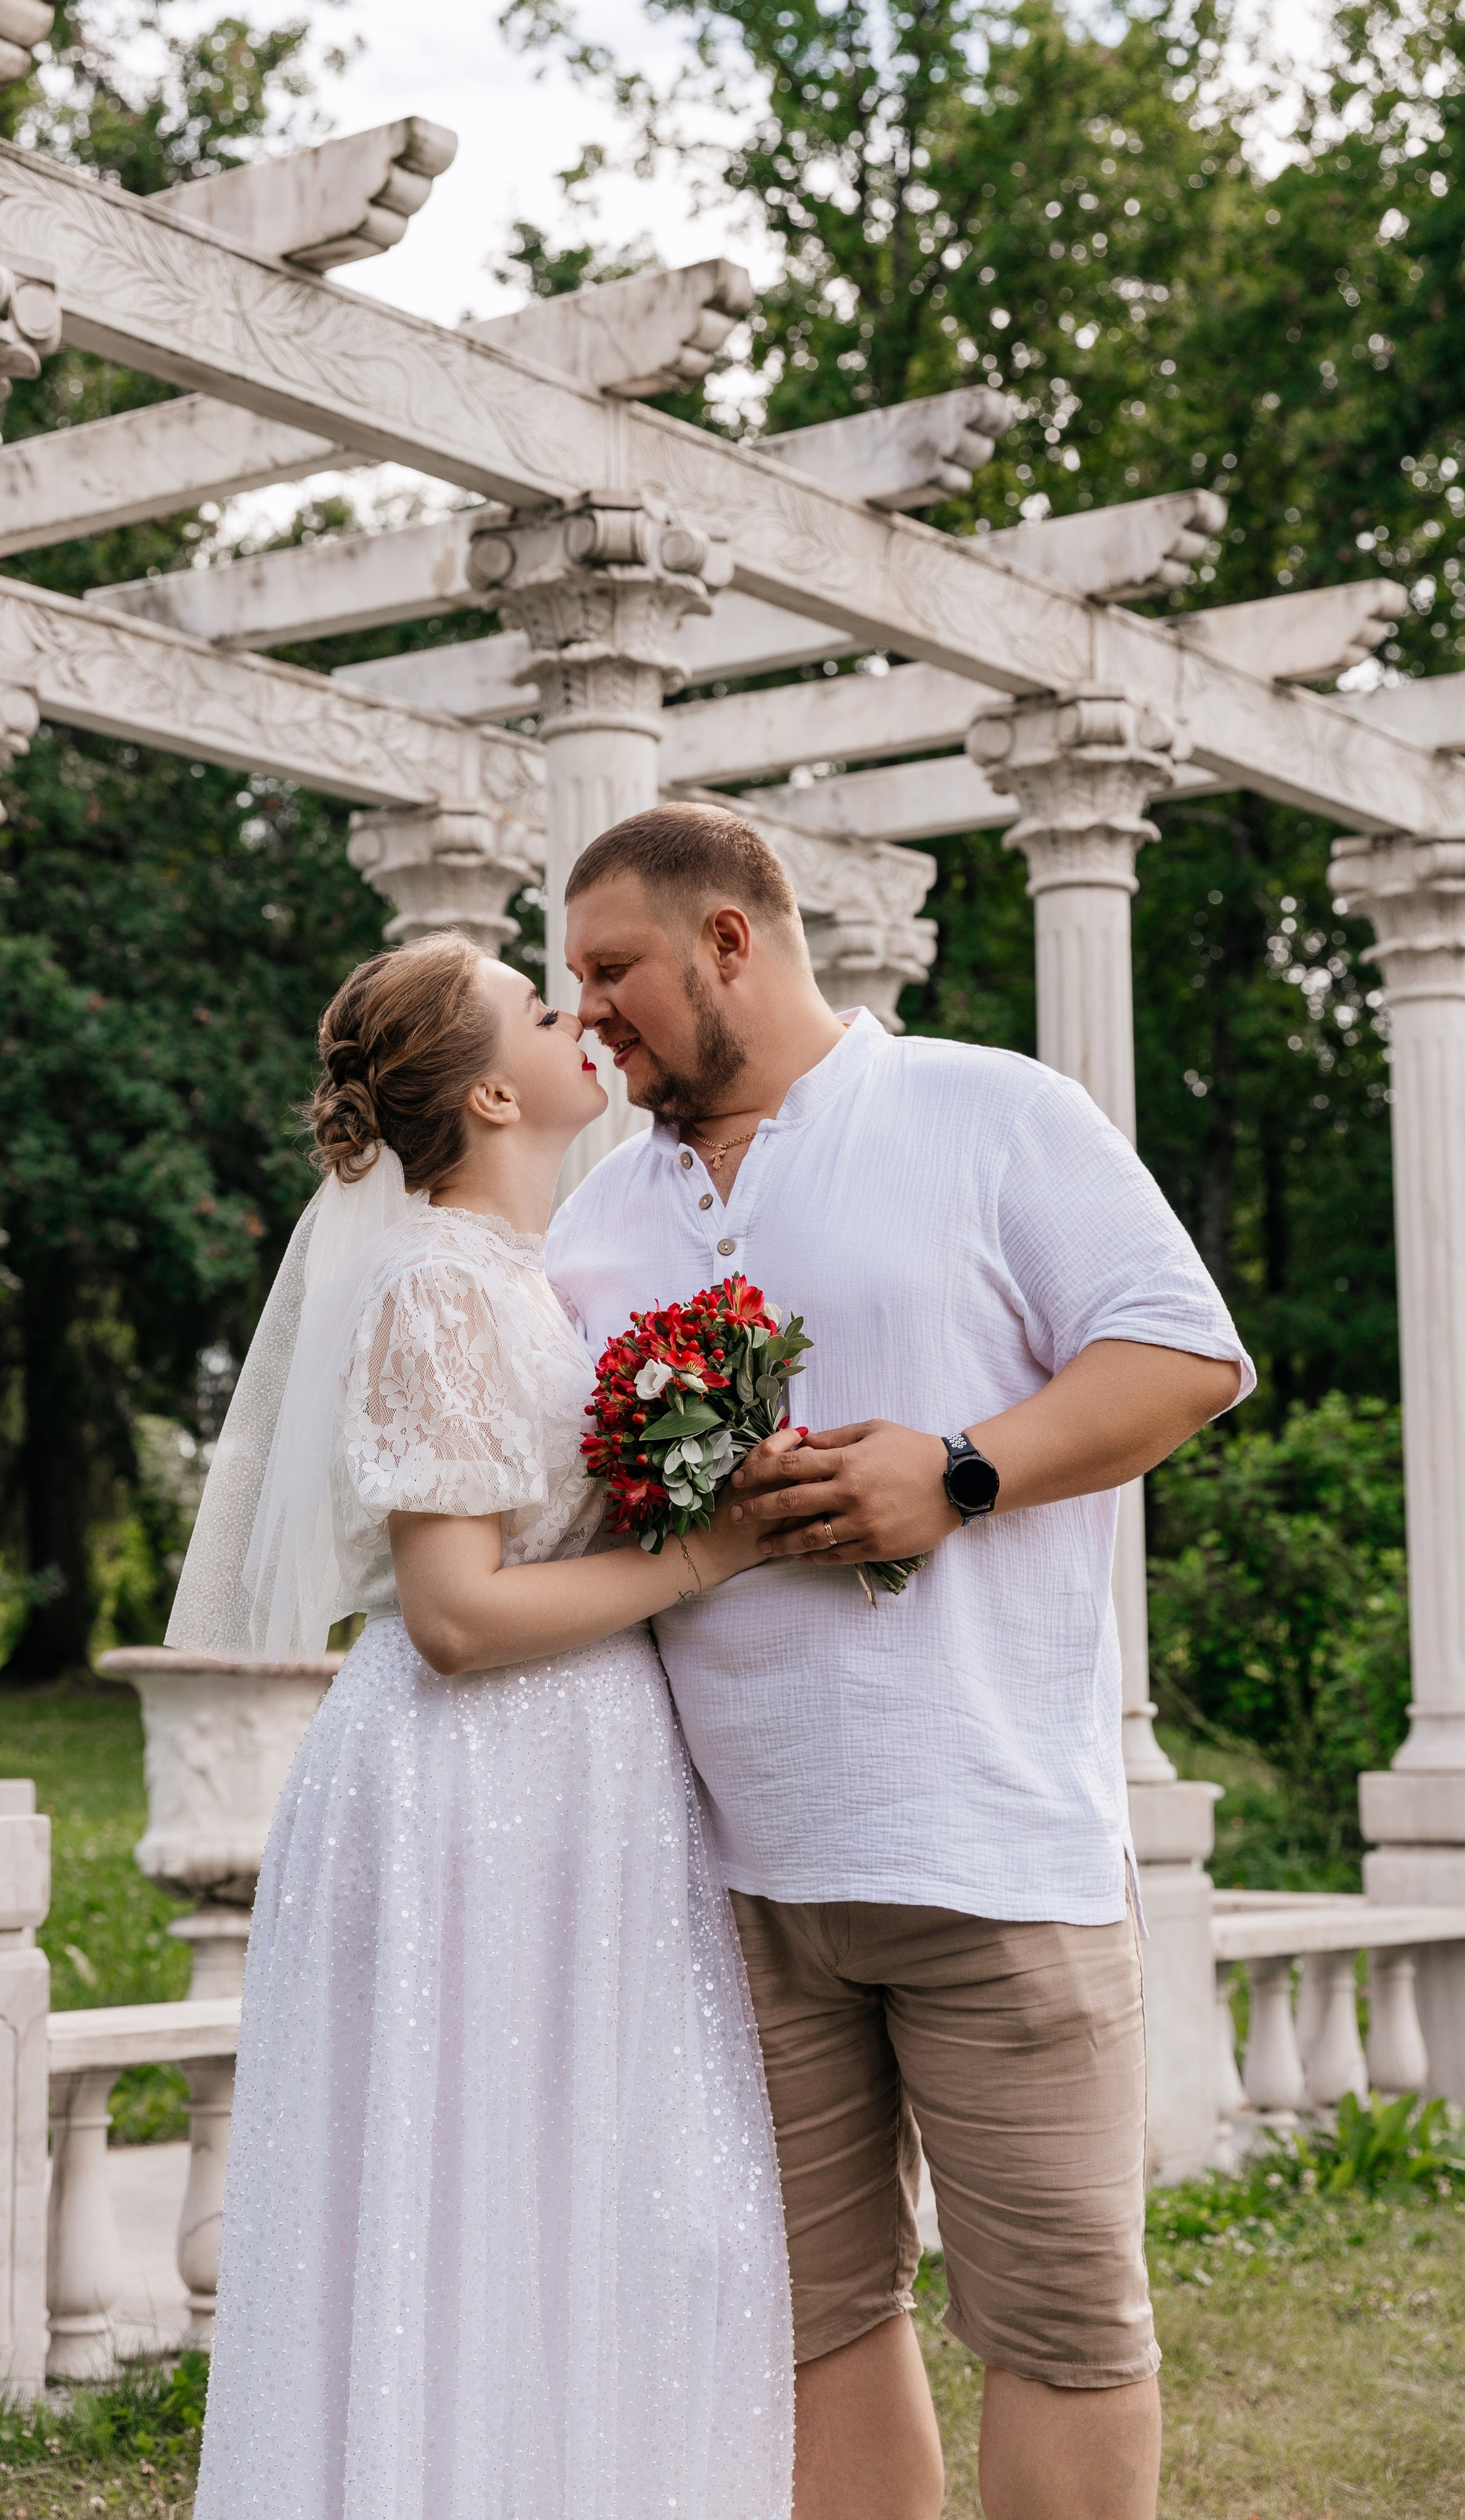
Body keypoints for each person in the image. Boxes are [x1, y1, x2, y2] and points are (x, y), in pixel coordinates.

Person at [545, 801, 1254, 2520]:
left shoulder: (988, 1111)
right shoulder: (594, 1228)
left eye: (614, 971)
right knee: (806, 2321)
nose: (588, 1020)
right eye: (568, 988)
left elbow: (1185, 1355)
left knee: (1063, 2325)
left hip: (992, 1853)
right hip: (732, 1880)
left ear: (732, 938)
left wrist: (956, 1470)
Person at [168, 933, 794, 2520]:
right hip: (475, 1781)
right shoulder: (438, 1289)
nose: (579, 1012)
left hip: (583, 1779)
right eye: (540, 1001)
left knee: (606, 2196)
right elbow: (450, 1619)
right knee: (471, 2200)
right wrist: (700, 1552)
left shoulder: (524, 1281)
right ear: (498, 1090)